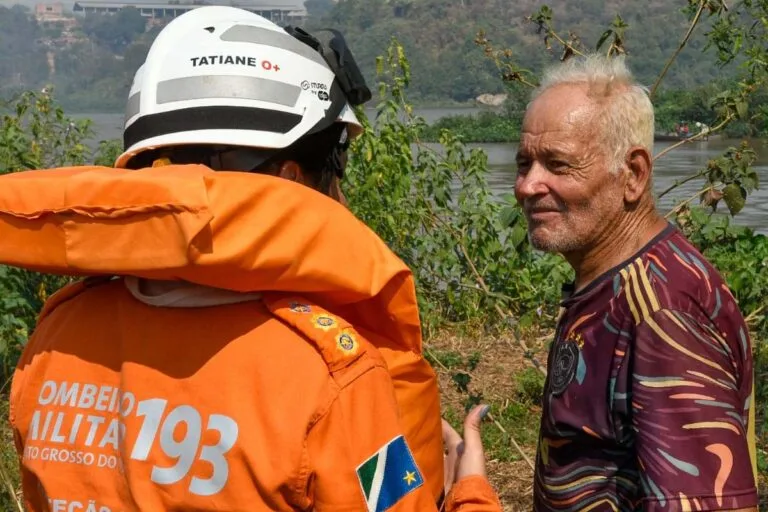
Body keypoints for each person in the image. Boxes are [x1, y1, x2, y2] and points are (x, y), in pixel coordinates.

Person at [3, 7, 502, 511]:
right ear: (290, 181)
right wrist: (471, 493)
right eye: (337, 168)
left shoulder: (57, 336)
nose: (342, 199)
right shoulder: (332, 373)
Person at [514, 54, 758, 511]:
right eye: (524, 163)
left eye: (558, 164)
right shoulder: (611, 288)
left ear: (634, 174)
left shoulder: (662, 309)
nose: (529, 185)